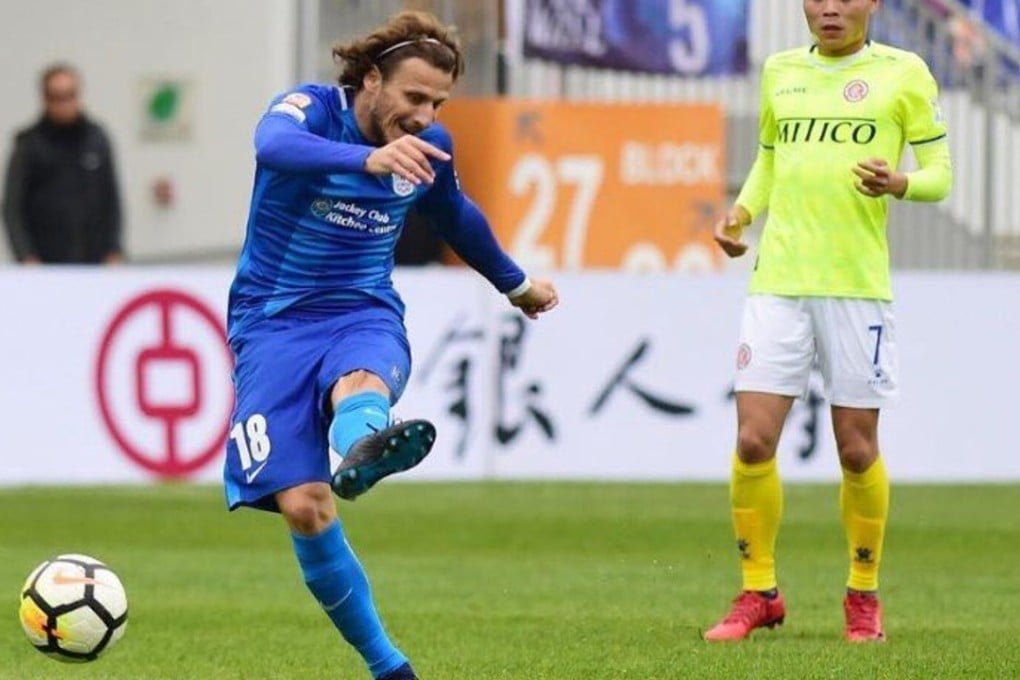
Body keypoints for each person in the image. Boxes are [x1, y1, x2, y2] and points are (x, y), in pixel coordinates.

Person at [223, 11, 558, 680]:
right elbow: (271, 146)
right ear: (371, 80)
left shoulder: (431, 146)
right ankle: (388, 665)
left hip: (362, 310)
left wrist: (514, 283)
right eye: (414, 97)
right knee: (304, 506)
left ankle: (365, 442)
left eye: (437, 101)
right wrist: (366, 157)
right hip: (272, 322)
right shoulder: (312, 110)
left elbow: (455, 214)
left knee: (360, 380)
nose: (425, 114)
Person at [704, 0, 952, 643]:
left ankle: (862, 595)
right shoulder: (780, 70)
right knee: (753, 441)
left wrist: (900, 183)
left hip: (855, 289)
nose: (830, 8)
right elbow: (769, 160)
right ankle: (758, 589)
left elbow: (942, 177)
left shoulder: (905, 73)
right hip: (778, 283)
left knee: (856, 449)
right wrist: (740, 214)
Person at [2, 63, 122, 264]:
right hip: (46, 260)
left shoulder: (96, 139)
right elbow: (12, 206)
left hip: (94, 259)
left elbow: (112, 198)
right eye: (57, 97)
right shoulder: (29, 145)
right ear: (45, 99)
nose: (65, 104)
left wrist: (114, 248)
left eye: (70, 95)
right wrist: (25, 255)